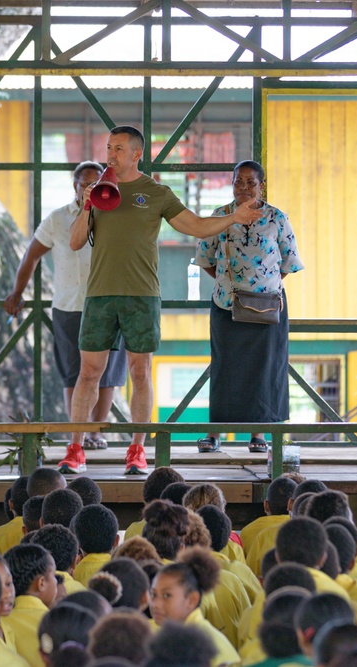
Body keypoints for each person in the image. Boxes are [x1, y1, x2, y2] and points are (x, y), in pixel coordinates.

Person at [58, 125, 263, 476]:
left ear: (137, 154)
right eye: (109, 147)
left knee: (140, 371)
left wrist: (234, 217)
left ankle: (137, 450)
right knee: (89, 371)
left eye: (119, 148)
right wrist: (87, 205)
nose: (111, 154)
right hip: (99, 294)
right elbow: (76, 242)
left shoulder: (156, 193)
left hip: (142, 294)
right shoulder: (98, 192)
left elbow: (196, 226)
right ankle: (75, 449)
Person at [4, 161, 127, 449]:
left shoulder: (117, 216)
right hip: (69, 307)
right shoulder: (58, 219)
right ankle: (77, 435)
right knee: (73, 373)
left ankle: (97, 433)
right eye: (85, 183)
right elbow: (31, 255)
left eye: (95, 183)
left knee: (107, 375)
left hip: (110, 305)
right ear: (75, 186)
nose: (89, 188)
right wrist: (16, 292)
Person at [194, 160, 304, 454]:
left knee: (264, 370)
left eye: (250, 182)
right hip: (226, 305)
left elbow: (288, 262)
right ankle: (215, 433)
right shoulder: (219, 217)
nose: (243, 187)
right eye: (238, 182)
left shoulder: (277, 218)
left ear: (261, 185)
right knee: (223, 368)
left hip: (266, 308)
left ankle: (259, 435)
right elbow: (206, 260)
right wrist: (229, 283)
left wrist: (263, 288)